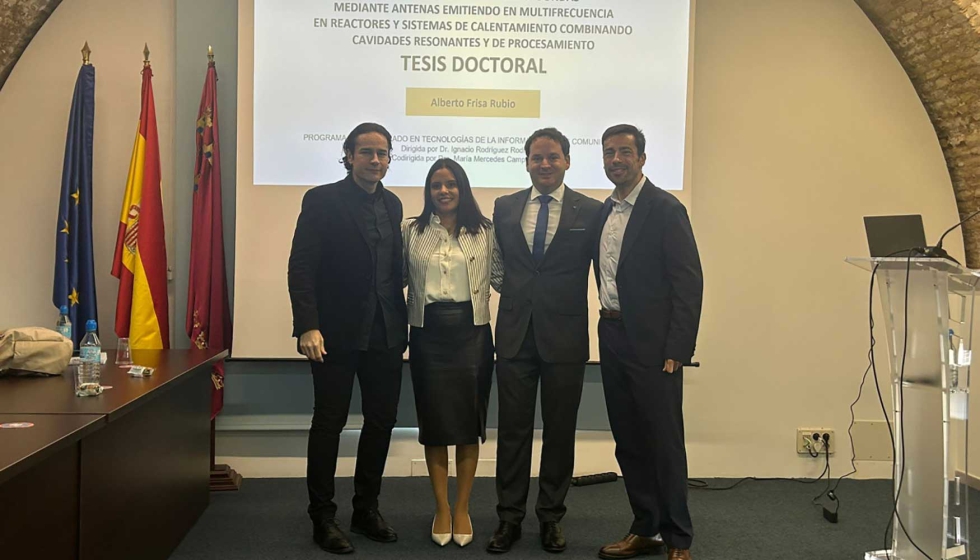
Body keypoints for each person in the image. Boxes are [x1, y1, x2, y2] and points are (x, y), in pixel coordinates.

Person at [287, 122, 408, 555]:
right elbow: (301, 266)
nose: (375, 160)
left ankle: (365, 509)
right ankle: (322, 516)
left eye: (382, 153)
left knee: (381, 422)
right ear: (349, 155)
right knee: (329, 424)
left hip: (386, 333)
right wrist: (307, 325)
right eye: (366, 152)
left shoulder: (393, 205)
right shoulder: (321, 200)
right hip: (333, 334)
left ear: (389, 158)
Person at [487, 128, 603, 554]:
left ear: (568, 161)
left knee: (559, 432)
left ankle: (551, 517)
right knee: (513, 433)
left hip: (566, 339)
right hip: (515, 337)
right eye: (537, 158)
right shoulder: (504, 207)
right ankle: (508, 519)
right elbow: (498, 265)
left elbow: (604, 269)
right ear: (527, 162)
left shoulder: (591, 211)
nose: (545, 164)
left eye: (553, 157)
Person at [593, 124, 703, 560]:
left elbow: (688, 283)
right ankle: (646, 528)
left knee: (663, 440)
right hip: (613, 334)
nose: (615, 159)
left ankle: (678, 537)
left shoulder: (665, 207)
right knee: (629, 439)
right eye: (608, 153)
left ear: (641, 158)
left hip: (656, 346)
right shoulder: (606, 210)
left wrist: (679, 348)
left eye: (623, 151)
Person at [401, 158, 500, 548]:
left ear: (463, 187)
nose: (443, 191)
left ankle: (463, 507)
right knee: (436, 423)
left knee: (468, 423)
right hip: (428, 335)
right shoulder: (410, 230)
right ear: (428, 190)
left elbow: (504, 278)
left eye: (451, 183)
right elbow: (394, 278)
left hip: (472, 333)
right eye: (436, 184)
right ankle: (441, 507)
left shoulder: (487, 232)